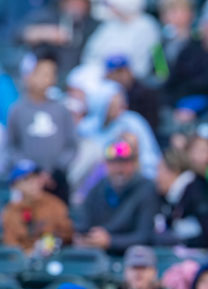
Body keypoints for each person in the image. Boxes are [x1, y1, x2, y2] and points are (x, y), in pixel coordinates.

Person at [5, 52, 77, 187]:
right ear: (28, 76)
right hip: (26, 181)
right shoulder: (17, 110)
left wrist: (54, 170)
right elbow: (12, 146)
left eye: (51, 74)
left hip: (57, 179)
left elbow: (71, 146)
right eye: (42, 73)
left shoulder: (61, 109)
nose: (47, 79)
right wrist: (30, 169)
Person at [75, 139, 159, 254]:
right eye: (113, 163)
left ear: (134, 164)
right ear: (106, 165)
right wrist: (85, 237)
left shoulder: (146, 189)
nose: (119, 169)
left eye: (124, 163)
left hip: (133, 258)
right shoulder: (99, 188)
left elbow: (145, 236)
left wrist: (110, 241)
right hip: (98, 256)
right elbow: (84, 223)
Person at [154, 149, 208, 248]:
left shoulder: (197, 190)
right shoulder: (175, 198)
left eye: (159, 170)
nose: (156, 177)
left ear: (174, 170)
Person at [2, 160, 74, 254]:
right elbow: (10, 245)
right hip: (22, 263)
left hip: (52, 259)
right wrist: (28, 253)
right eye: (26, 179)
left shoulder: (54, 204)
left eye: (36, 177)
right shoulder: (10, 211)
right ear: (15, 185)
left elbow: (68, 235)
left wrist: (52, 241)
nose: (33, 182)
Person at [81, 0, 161, 79]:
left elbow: (158, 60)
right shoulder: (109, 25)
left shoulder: (147, 26)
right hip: (103, 75)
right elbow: (91, 53)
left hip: (134, 80)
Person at [104, 54, 160, 135]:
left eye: (121, 72)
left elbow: (149, 127)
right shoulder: (103, 95)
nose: (117, 76)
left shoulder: (145, 94)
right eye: (113, 73)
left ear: (129, 71)